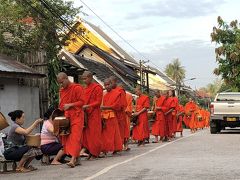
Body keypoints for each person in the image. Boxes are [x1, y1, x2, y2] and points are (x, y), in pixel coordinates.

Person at [57, 72, 85, 168]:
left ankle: (72, 160)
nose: (61, 85)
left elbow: (82, 102)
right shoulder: (62, 91)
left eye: (62, 82)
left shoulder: (77, 88)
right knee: (67, 138)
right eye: (59, 83)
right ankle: (77, 159)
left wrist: (70, 105)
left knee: (75, 137)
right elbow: (61, 105)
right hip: (67, 117)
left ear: (66, 78)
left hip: (77, 116)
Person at [81, 71, 103, 159]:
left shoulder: (97, 87)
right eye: (83, 79)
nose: (84, 81)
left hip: (94, 114)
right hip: (86, 115)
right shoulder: (84, 89)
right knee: (87, 135)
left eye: (85, 78)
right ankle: (90, 151)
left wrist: (88, 106)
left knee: (94, 134)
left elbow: (98, 102)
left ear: (90, 77)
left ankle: (95, 152)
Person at [100, 78, 122, 155]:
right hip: (105, 116)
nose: (107, 86)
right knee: (105, 134)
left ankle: (116, 148)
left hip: (112, 115)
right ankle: (105, 149)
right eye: (105, 85)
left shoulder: (117, 93)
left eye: (108, 84)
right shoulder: (105, 96)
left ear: (111, 84)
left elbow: (117, 106)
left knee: (114, 132)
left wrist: (105, 108)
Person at [109, 76, 127, 148]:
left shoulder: (120, 91)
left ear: (115, 82)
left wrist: (114, 107)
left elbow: (122, 104)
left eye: (111, 83)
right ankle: (114, 146)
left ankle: (118, 146)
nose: (110, 84)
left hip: (119, 114)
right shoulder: (109, 91)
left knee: (119, 130)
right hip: (111, 114)